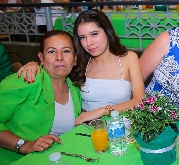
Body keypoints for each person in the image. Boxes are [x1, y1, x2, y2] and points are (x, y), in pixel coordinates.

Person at [18, 10, 146, 126]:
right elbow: (54, 65)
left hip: (120, 125)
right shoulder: (78, 62)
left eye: (94, 34)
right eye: (82, 38)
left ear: (107, 32)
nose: (89, 43)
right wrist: (34, 64)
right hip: (86, 128)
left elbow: (139, 100)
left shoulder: (129, 58)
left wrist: (102, 111)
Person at [0, 30, 81, 164]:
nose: (59, 57)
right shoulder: (26, 81)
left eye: (66, 51)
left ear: (75, 59)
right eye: (51, 51)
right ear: (41, 58)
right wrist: (23, 145)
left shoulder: (74, 90)